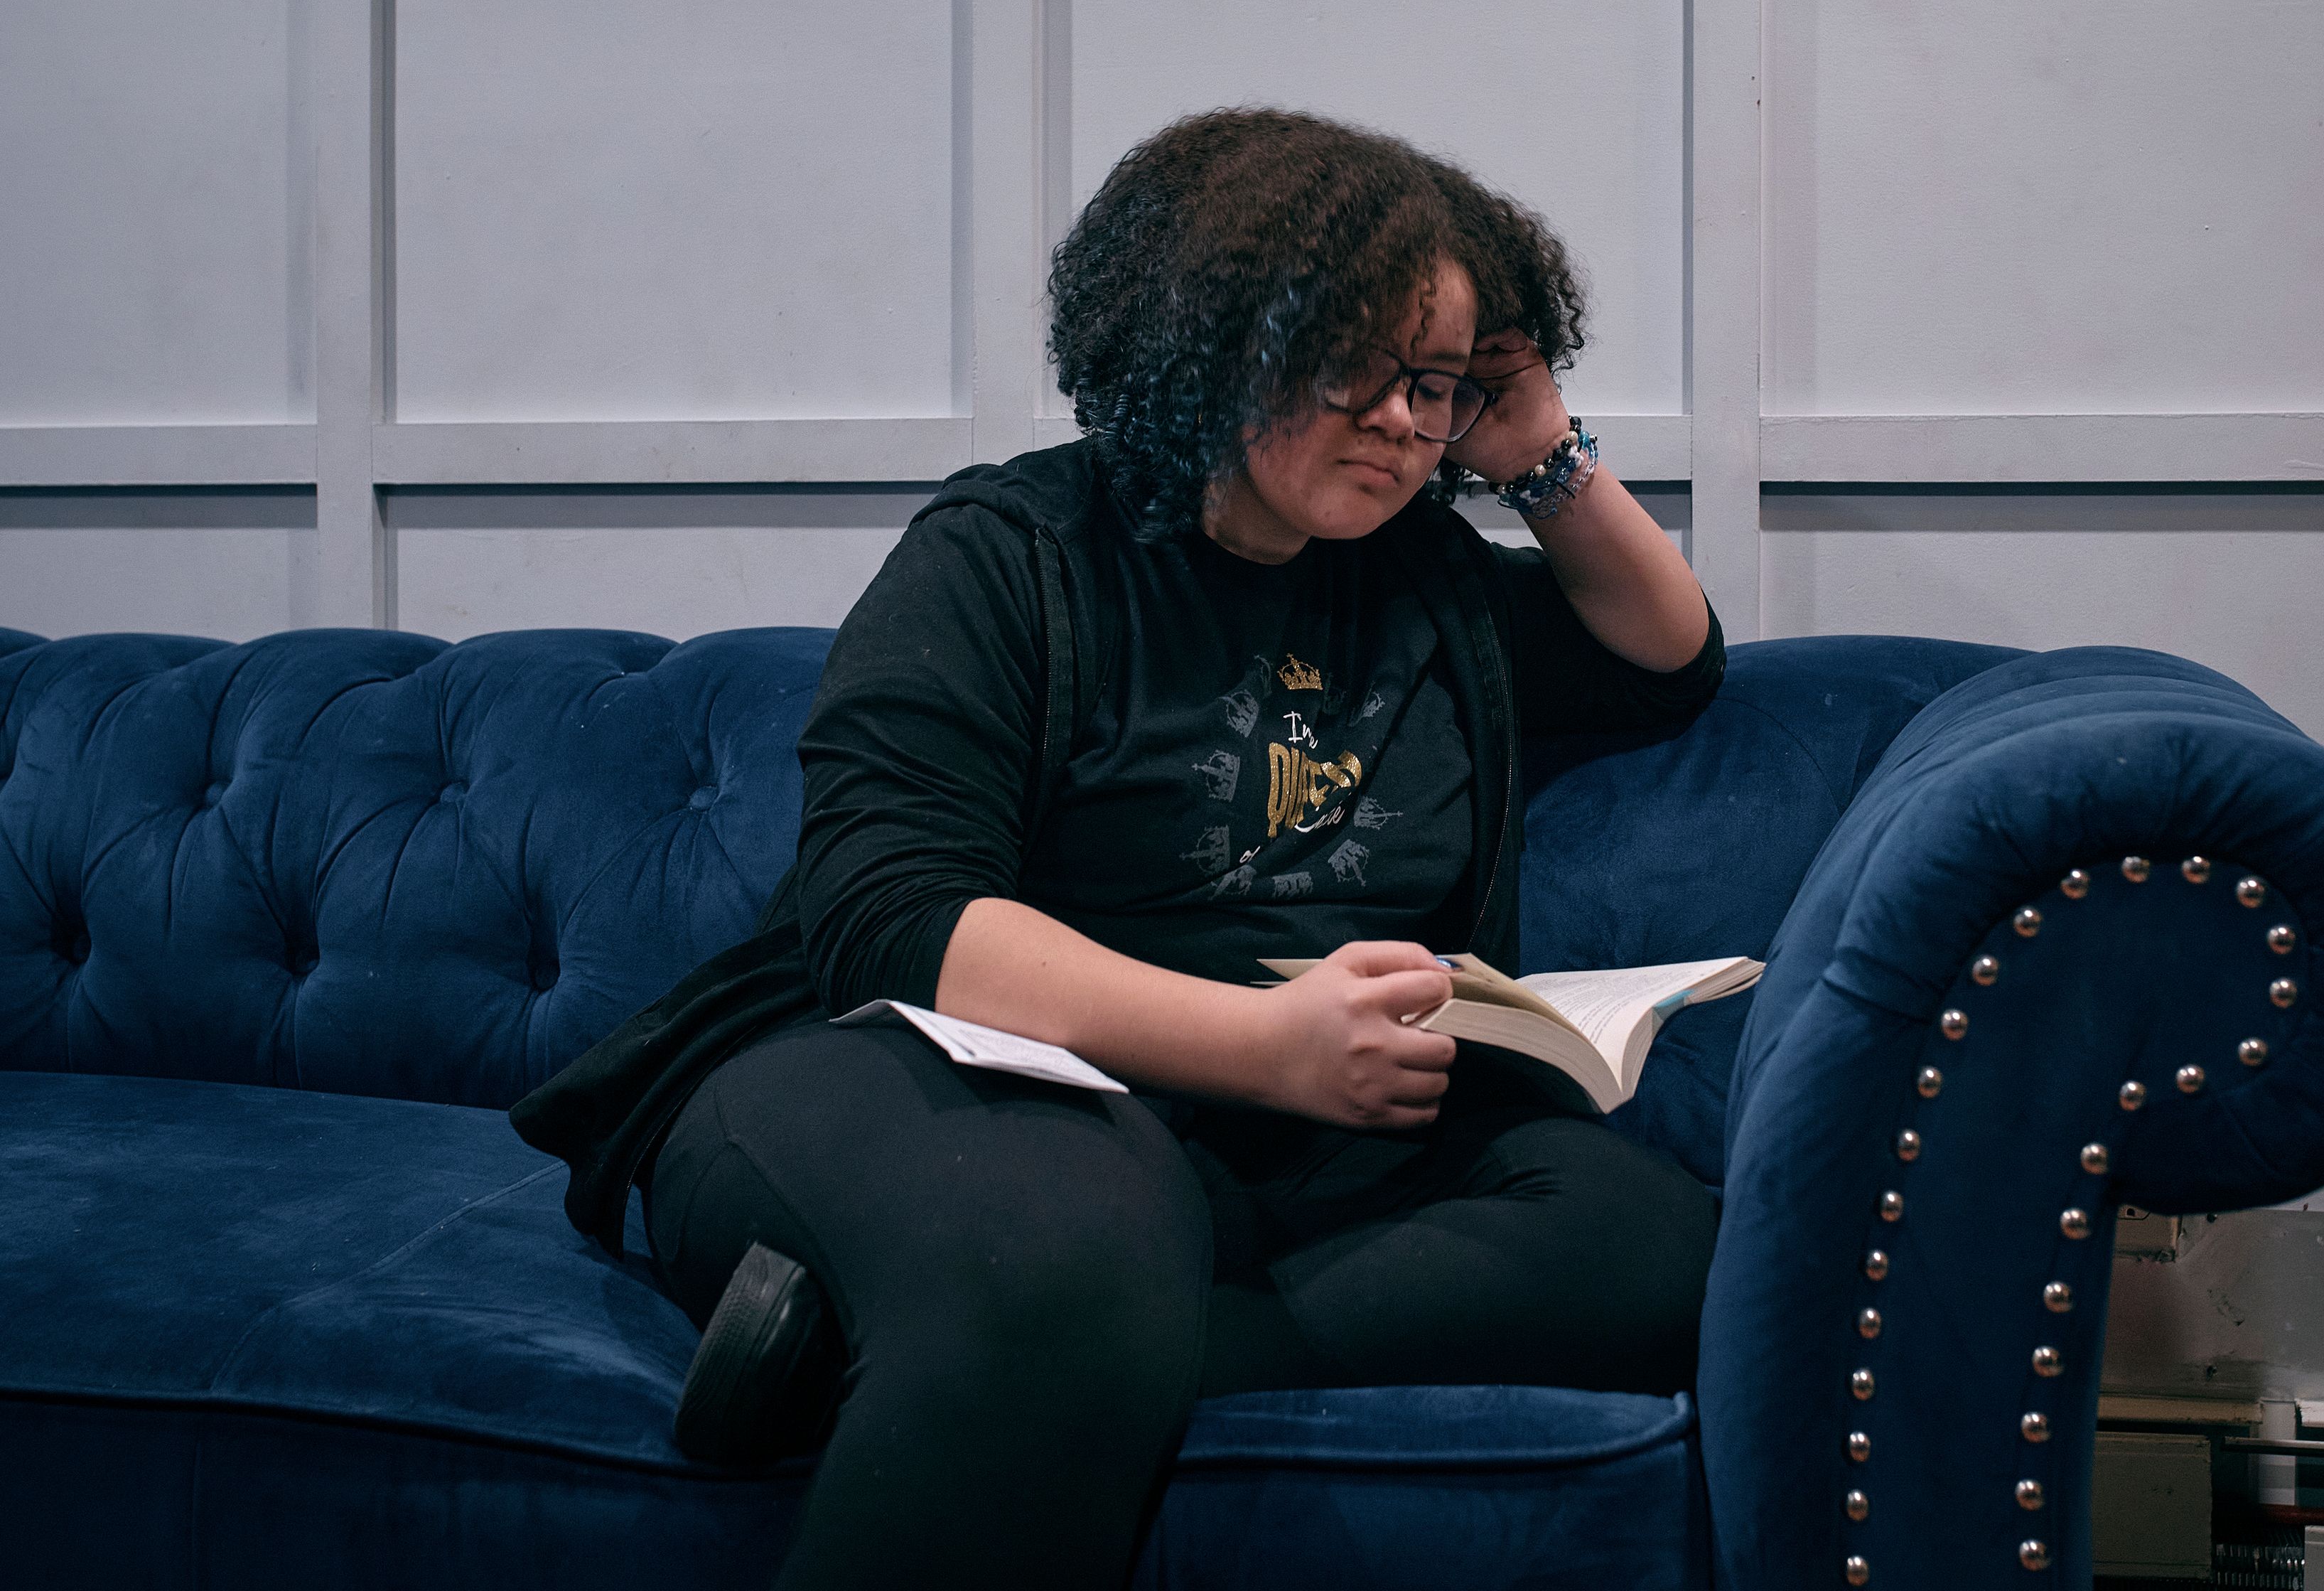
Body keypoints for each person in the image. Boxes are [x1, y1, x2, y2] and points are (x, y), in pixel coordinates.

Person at [512, 108, 1728, 1590]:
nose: (1411, 423)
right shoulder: (1010, 551)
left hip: (1277, 1142)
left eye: (1439, 386)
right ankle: (1017, 1314)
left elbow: (1668, 656)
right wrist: (1266, 1043)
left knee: (1665, 1251)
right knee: (1074, 1241)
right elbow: (894, 912)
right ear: (1219, 339)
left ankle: (897, 1341)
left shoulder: (1423, 574)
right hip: (931, 1073)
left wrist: (1538, 447)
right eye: (1366, 368)